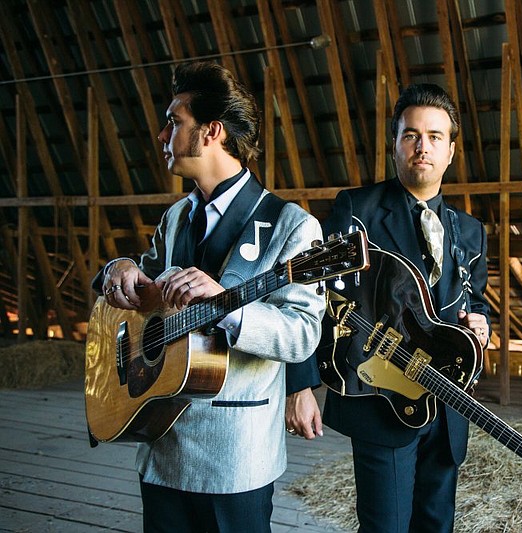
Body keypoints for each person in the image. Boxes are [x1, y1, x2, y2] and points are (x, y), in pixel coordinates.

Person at [96, 61, 324, 532]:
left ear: (211, 132)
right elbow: (144, 288)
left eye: (174, 122)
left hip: (234, 458)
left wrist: (228, 303)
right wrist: (115, 270)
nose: (162, 135)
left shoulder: (292, 226)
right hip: (159, 440)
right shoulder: (176, 215)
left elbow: (302, 334)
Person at [285, 83, 492, 533]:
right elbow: (309, 294)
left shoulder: (471, 231)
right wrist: (299, 385)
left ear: (451, 151)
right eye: (411, 135)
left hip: (450, 406)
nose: (423, 147)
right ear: (394, 144)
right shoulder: (356, 209)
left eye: (435, 136)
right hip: (381, 398)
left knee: (437, 527)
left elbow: (476, 301)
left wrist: (482, 326)